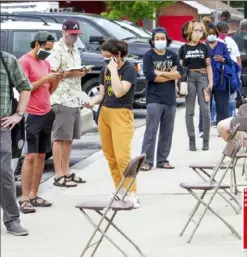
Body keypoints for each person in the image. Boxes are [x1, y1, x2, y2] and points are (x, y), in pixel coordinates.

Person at [85, 39, 139, 207]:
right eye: (104, 57)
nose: (105, 60)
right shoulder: (104, 70)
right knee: (111, 157)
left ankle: (132, 192)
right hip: (105, 112)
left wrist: (114, 70)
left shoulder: (129, 69)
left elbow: (119, 91)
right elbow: (103, 94)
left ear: (118, 55)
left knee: (123, 156)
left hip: (121, 113)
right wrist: (92, 101)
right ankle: (119, 190)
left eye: (108, 57)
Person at [18, 32, 63, 214]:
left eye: (50, 50)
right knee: (29, 157)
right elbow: (24, 88)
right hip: (30, 114)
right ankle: (24, 198)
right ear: (36, 44)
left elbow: (48, 91)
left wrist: (56, 80)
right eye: (45, 48)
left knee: (42, 156)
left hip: (46, 111)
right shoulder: (24, 62)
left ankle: (34, 194)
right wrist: (44, 79)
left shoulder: (45, 63)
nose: (47, 53)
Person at [47, 19, 89, 187]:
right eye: (71, 35)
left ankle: (66, 171)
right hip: (61, 98)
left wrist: (81, 73)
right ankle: (58, 175)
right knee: (59, 138)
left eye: (76, 35)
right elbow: (53, 74)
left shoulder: (75, 49)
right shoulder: (56, 50)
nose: (74, 38)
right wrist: (73, 73)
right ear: (63, 33)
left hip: (74, 98)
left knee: (69, 138)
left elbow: (75, 74)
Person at [140, 27, 182, 171]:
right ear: (152, 40)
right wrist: (169, 74)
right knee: (151, 131)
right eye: (157, 38)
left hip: (170, 98)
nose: (160, 41)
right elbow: (152, 77)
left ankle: (162, 160)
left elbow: (179, 74)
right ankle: (146, 161)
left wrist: (161, 73)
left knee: (167, 131)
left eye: (162, 38)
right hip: (154, 98)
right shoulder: (148, 56)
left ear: (167, 39)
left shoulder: (173, 55)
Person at [0, 51, 32, 235]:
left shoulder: (7, 60)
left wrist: (18, 114)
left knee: (4, 174)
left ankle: (12, 219)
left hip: (2, 126)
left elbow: (25, 86)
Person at [179, 20, 213, 151]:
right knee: (190, 111)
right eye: (196, 30)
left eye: (200, 30)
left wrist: (211, 82)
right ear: (189, 31)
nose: (199, 33)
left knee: (205, 110)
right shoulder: (183, 48)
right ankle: (191, 139)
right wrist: (179, 84)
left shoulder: (204, 47)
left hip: (203, 77)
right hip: (189, 78)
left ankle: (206, 140)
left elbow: (208, 65)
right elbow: (181, 67)